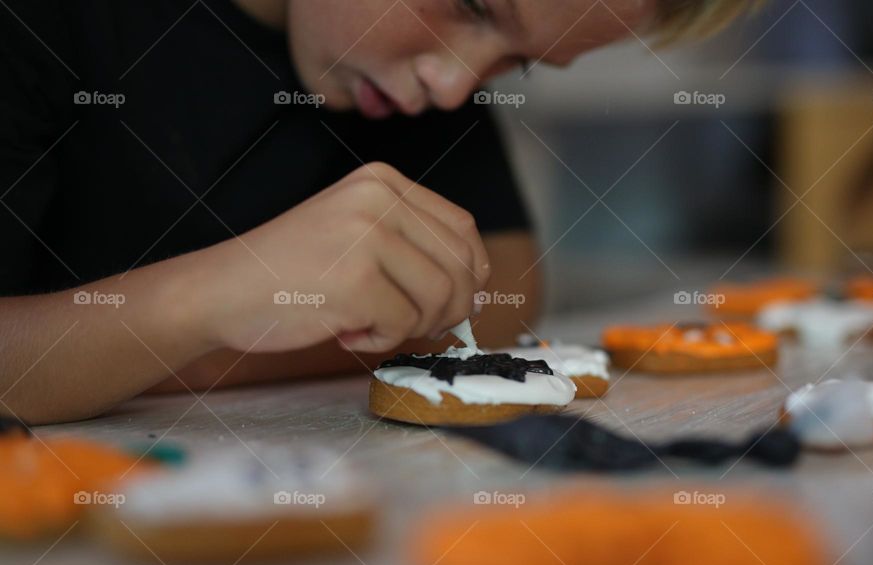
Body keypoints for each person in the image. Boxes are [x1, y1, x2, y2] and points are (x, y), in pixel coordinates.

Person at [0, 0, 758, 424]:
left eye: (516, 63)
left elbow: (504, 288)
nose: (454, 87)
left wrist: (141, 358)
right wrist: (203, 302)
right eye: (472, 5)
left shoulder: (405, 74)